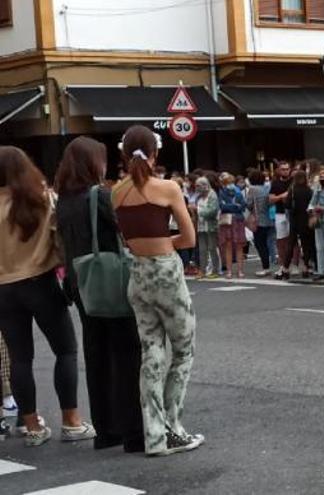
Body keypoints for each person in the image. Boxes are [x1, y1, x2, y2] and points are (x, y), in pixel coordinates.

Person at [112, 125, 203, 456]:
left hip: (138, 274)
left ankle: (153, 435)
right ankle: (172, 427)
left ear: (124, 154)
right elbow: (190, 238)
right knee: (183, 351)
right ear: (155, 153)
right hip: (166, 271)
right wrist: (166, 245)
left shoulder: (116, 193)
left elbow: (129, 240)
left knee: (151, 352)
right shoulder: (167, 187)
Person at [0, 146, 96, 447]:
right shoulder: (41, 199)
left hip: (3, 288)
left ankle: (32, 427)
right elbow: (61, 240)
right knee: (65, 350)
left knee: (20, 358)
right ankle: (71, 421)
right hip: (40, 280)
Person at [55, 136, 145, 452]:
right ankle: (134, 430)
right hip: (109, 277)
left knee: (96, 354)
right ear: (94, 163)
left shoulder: (63, 200)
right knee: (127, 352)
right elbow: (126, 229)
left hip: (80, 282)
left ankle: (106, 430)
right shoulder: (99, 195)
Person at [286, 170, 315, 279]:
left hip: (294, 220)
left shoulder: (292, 190)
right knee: (306, 244)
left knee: (291, 244)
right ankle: (306, 267)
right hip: (305, 220)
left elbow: (287, 205)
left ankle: (285, 268)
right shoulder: (309, 191)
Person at [217, 172, 247, 279]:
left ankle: (239, 271)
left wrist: (229, 206)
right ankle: (230, 271)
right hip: (229, 221)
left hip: (236, 220)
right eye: (227, 183)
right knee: (228, 246)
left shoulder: (238, 193)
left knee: (238, 246)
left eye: (230, 182)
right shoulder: (222, 193)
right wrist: (235, 206)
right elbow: (222, 206)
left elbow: (243, 206)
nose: (229, 184)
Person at [245, 169, 274, 277]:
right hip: (269, 218)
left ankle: (265, 267)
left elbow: (248, 204)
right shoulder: (267, 187)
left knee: (260, 244)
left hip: (258, 220)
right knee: (269, 242)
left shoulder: (252, 189)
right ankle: (271, 263)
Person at [192, 177, 220, 279]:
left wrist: (198, 210)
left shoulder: (212, 195)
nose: (197, 188)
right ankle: (202, 270)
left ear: (205, 185)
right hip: (200, 226)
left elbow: (212, 211)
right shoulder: (198, 197)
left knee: (212, 248)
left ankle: (215, 270)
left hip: (211, 225)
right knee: (202, 249)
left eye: (199, 185)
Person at [270, 162, 294, 279]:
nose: (285, 171)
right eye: (283, 169)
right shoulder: (275, 183)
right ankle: (282, 265)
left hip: (292, 213)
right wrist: (282, 196)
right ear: (279, 170)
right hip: (280, 213)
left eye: (287, 169)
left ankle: (293, 265)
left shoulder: (293, 181)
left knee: (293, 240)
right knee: (281, 241)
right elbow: (271, 199)